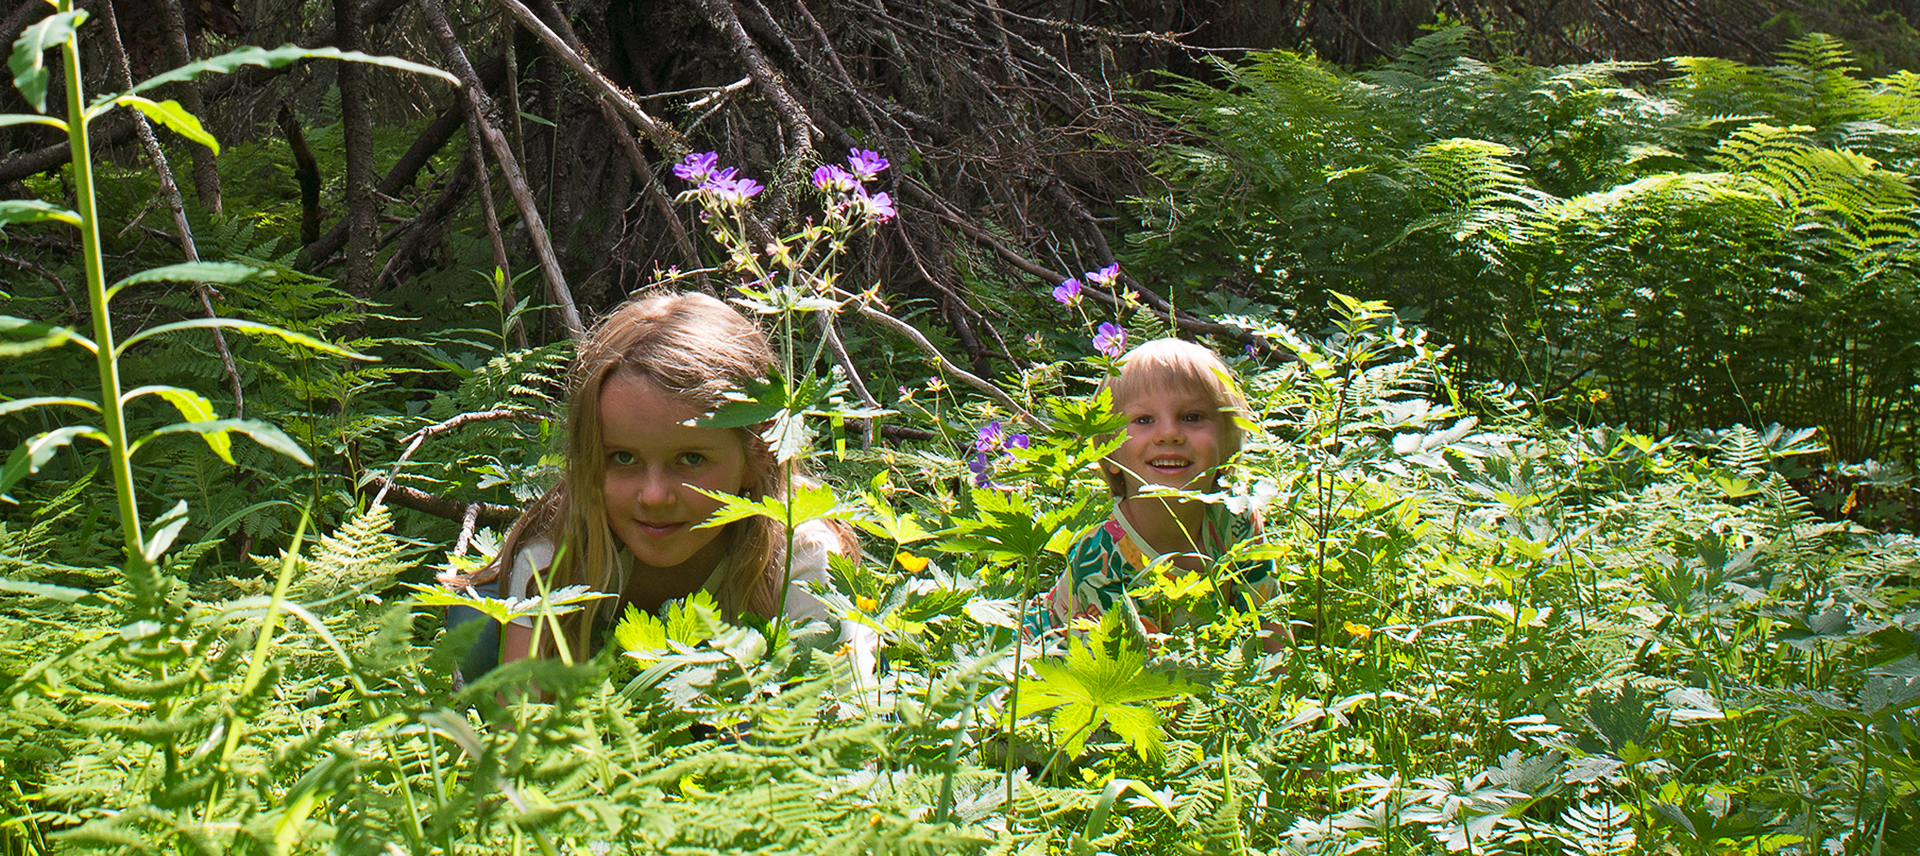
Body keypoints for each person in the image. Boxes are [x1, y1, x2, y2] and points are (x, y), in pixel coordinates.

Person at [447, 292, 873, 676]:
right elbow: (524, 733)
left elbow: (842, 734)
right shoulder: (558, 556)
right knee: (476, 631)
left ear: (756, 455)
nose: (653, 496)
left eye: (691, 459)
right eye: (623, 458)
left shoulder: (801, 559)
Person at [1041, 336, 1283, 645]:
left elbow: (1271, 628)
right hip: (1049, 664)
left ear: (1226, 443)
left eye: (1192, 417)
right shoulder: (1101, 558)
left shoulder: (1237, 519)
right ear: (1111, 453)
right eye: (1143, 420)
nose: (1169, 433)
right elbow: (1116, 682)